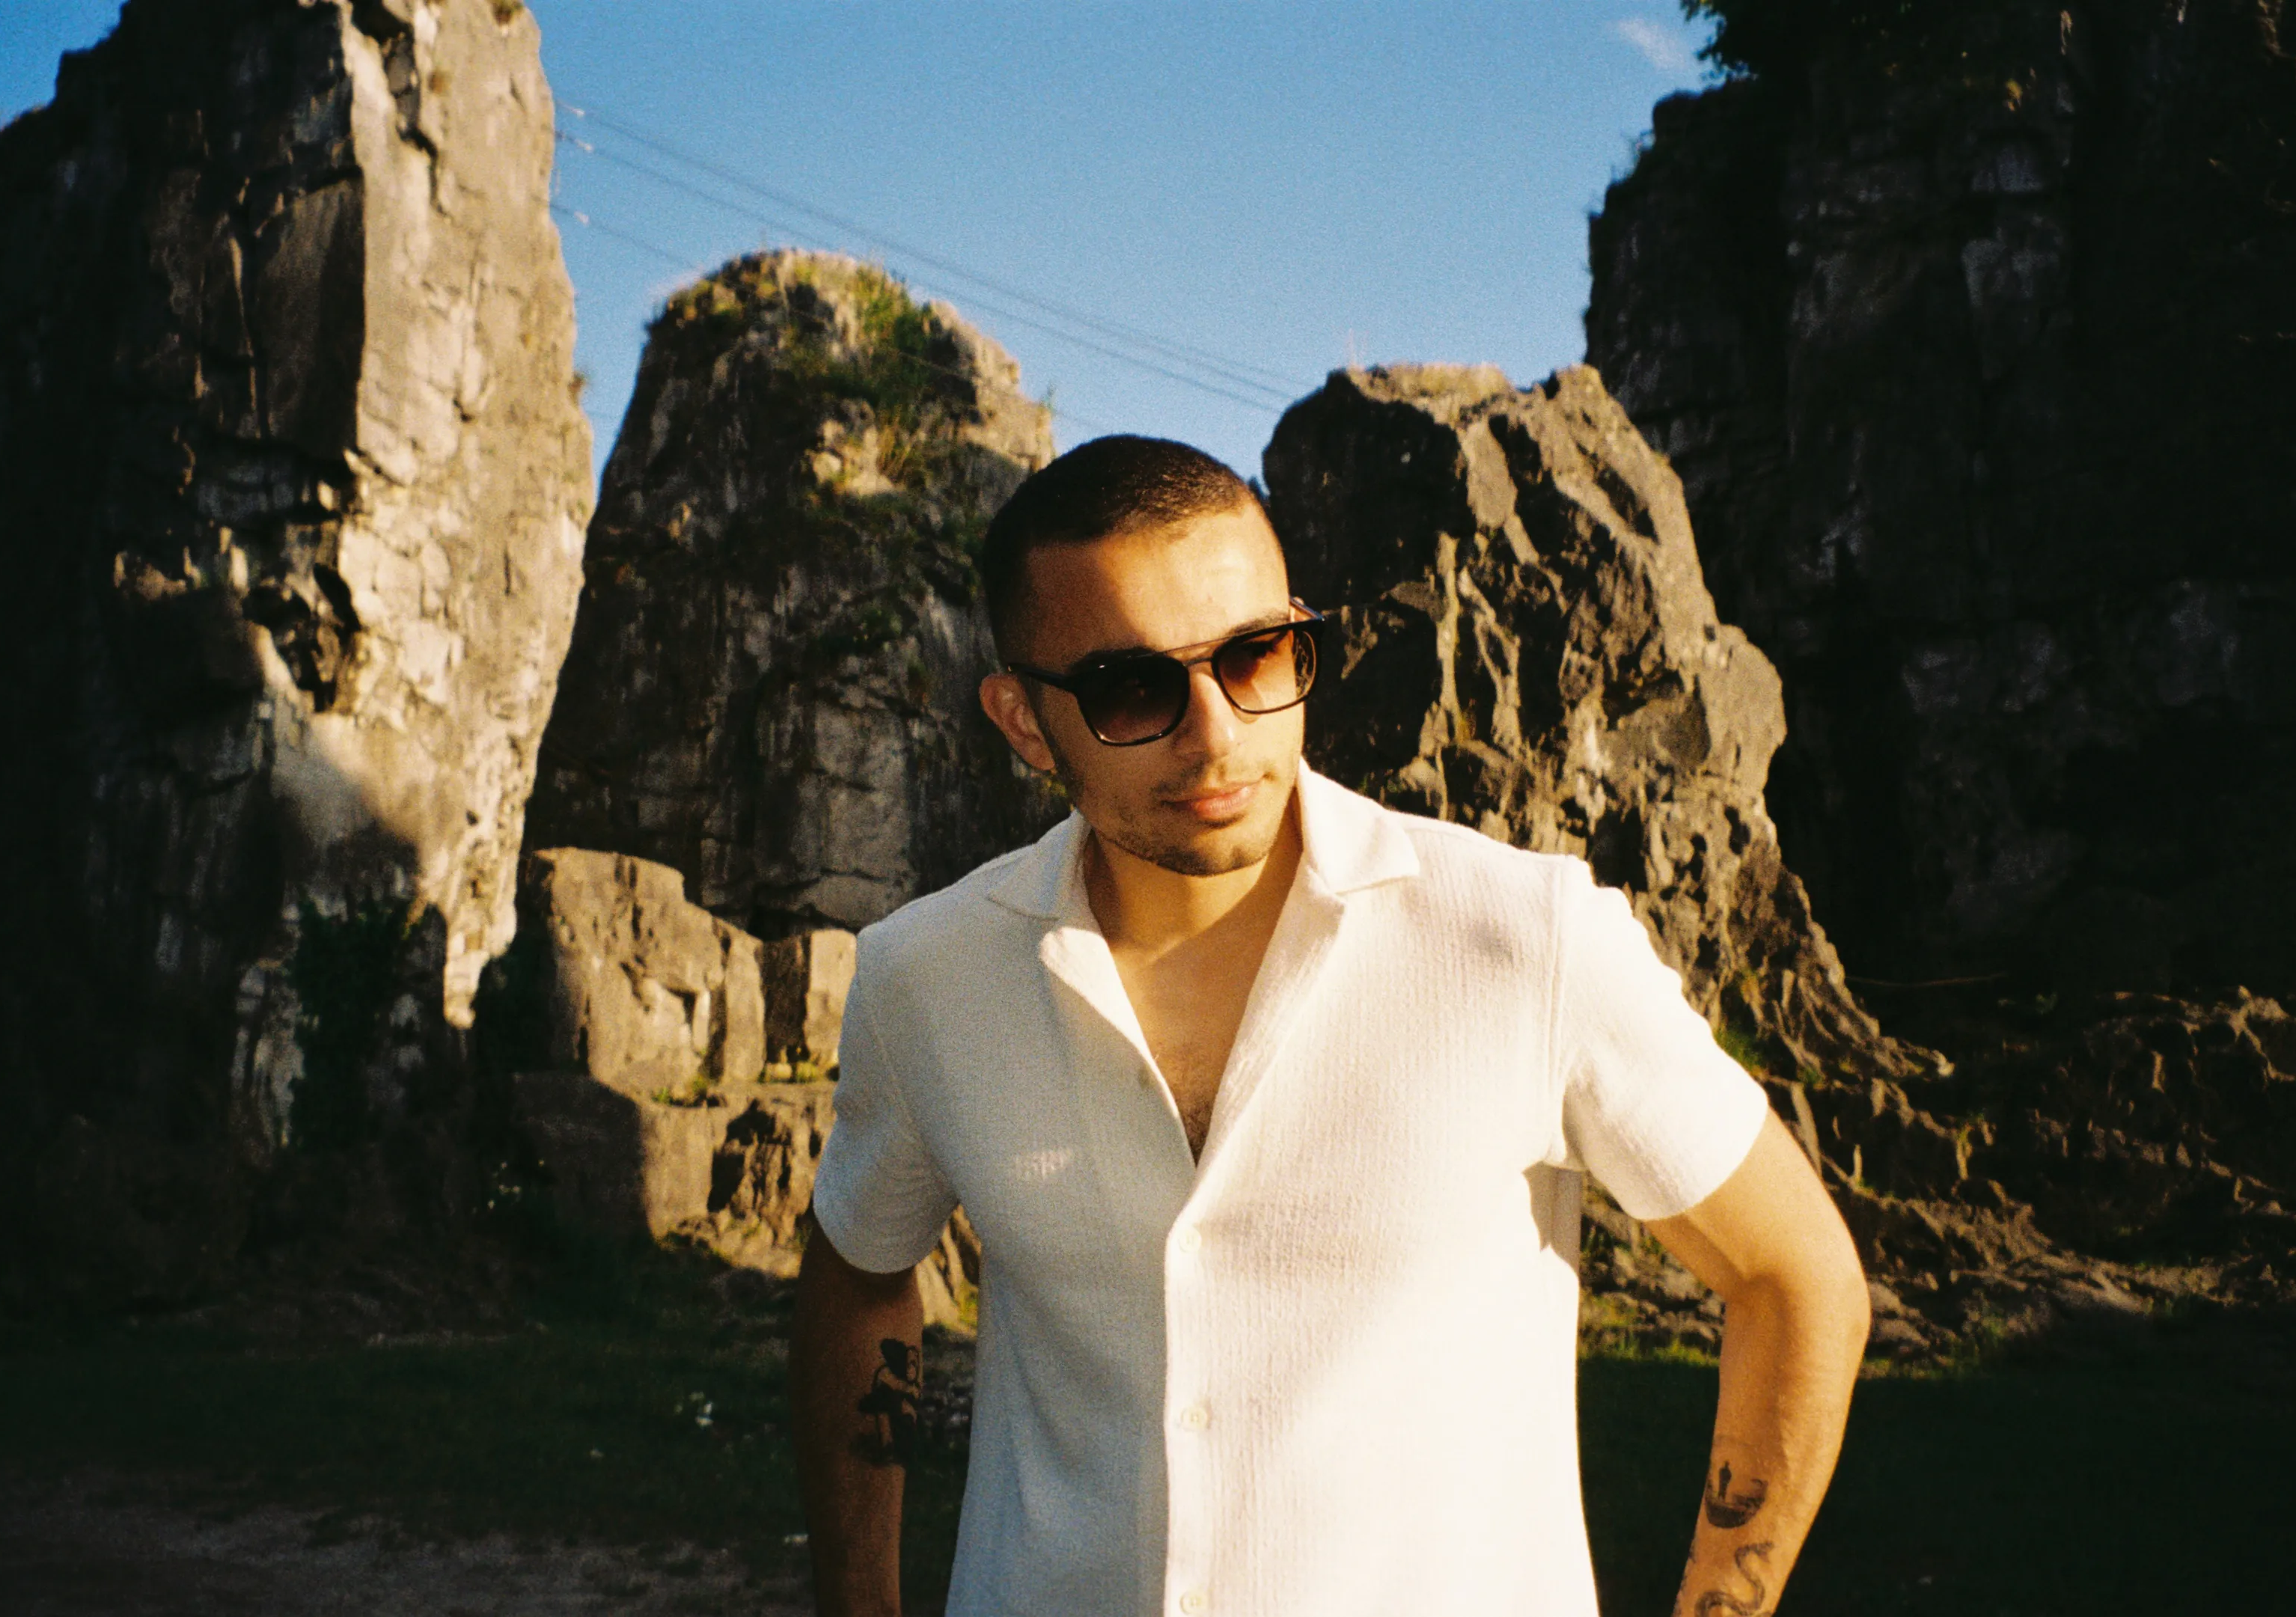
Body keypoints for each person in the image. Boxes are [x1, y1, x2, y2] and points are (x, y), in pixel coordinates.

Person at [790, 435, 1870, 1617]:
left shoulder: (1525, 939)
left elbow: (1795, 1274)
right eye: (1132, 687)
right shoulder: (927, 977)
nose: (1216, 734)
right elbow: (858, 1271)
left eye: (1256, 655)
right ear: (1024, 721)